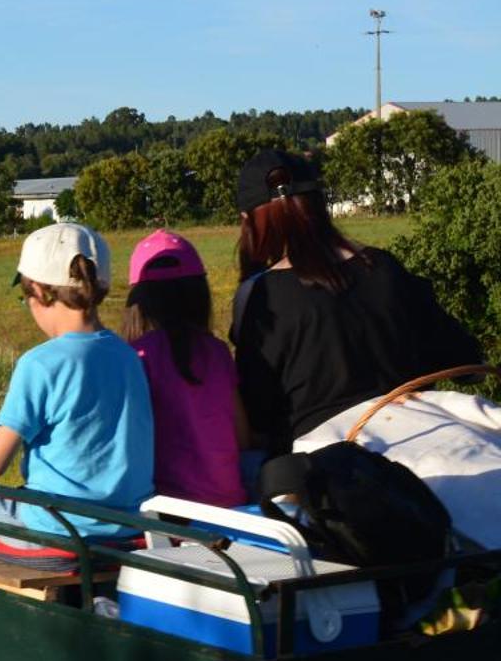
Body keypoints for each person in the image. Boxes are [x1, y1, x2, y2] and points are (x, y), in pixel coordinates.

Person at [0, 221, 154, 546]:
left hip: (57, 528)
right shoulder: (128, 356)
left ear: (38, 291)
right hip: (128, 525)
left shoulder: (39, 364)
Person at [230, 149, 481, 455]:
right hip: (430, 435)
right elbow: (467, 361)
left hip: (333, 468)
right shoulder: (385, 267)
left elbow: (258, 418)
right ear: (320, 205)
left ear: (251, 221)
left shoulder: (260, 295)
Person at [121, 230, 249, 507]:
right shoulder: (217, 351)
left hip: (170, 510)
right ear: (199, 295)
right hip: (230, 505)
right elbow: (242, 436)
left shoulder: (136, 357)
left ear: (138, 303)